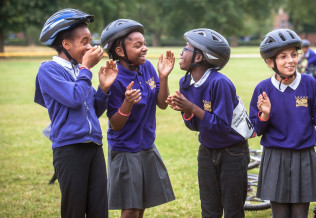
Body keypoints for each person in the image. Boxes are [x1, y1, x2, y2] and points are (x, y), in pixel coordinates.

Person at [249, 28, 316, 218]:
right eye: (283, 56)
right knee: (280, 215)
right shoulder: (263, 88)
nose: (290, 61)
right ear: (270, 61)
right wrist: (264, 115)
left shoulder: (309, 83)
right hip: (275, 157)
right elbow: (255, 129)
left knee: (299, 214)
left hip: (304, 157)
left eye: (294, 55)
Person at [34, 8, 118, 218]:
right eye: (84, 41)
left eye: (90, 40)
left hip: (93, 147)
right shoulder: (49, 70)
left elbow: (93, 110)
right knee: (74, 210)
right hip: (69, 149)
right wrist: (87, 69)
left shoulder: (79, 71)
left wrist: (104, 89)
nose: (90, 46)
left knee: (100, 211)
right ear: (66, 44)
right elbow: (74, 98)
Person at [166, 28, 253, 218]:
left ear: (199, 57)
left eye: (186, 48)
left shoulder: (220, 83)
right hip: (206, 150)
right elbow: (194, 126)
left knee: (233, 209)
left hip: (232, 151)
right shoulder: (185, 82)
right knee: (209, 209)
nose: (181, 52)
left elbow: (222, 127)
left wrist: (193, 108)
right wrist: (185, 111)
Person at [100, 19, 175, 218]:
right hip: (126, 149)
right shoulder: (114, 78)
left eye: (144, 43)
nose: (145, 48)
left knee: (141, 204)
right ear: (121, 51)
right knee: (131, 207)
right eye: (138, 45)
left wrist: (163, 76)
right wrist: (127, 103)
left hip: (147, 145)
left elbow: (162, 103)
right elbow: (115, 125)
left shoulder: (147, 68)